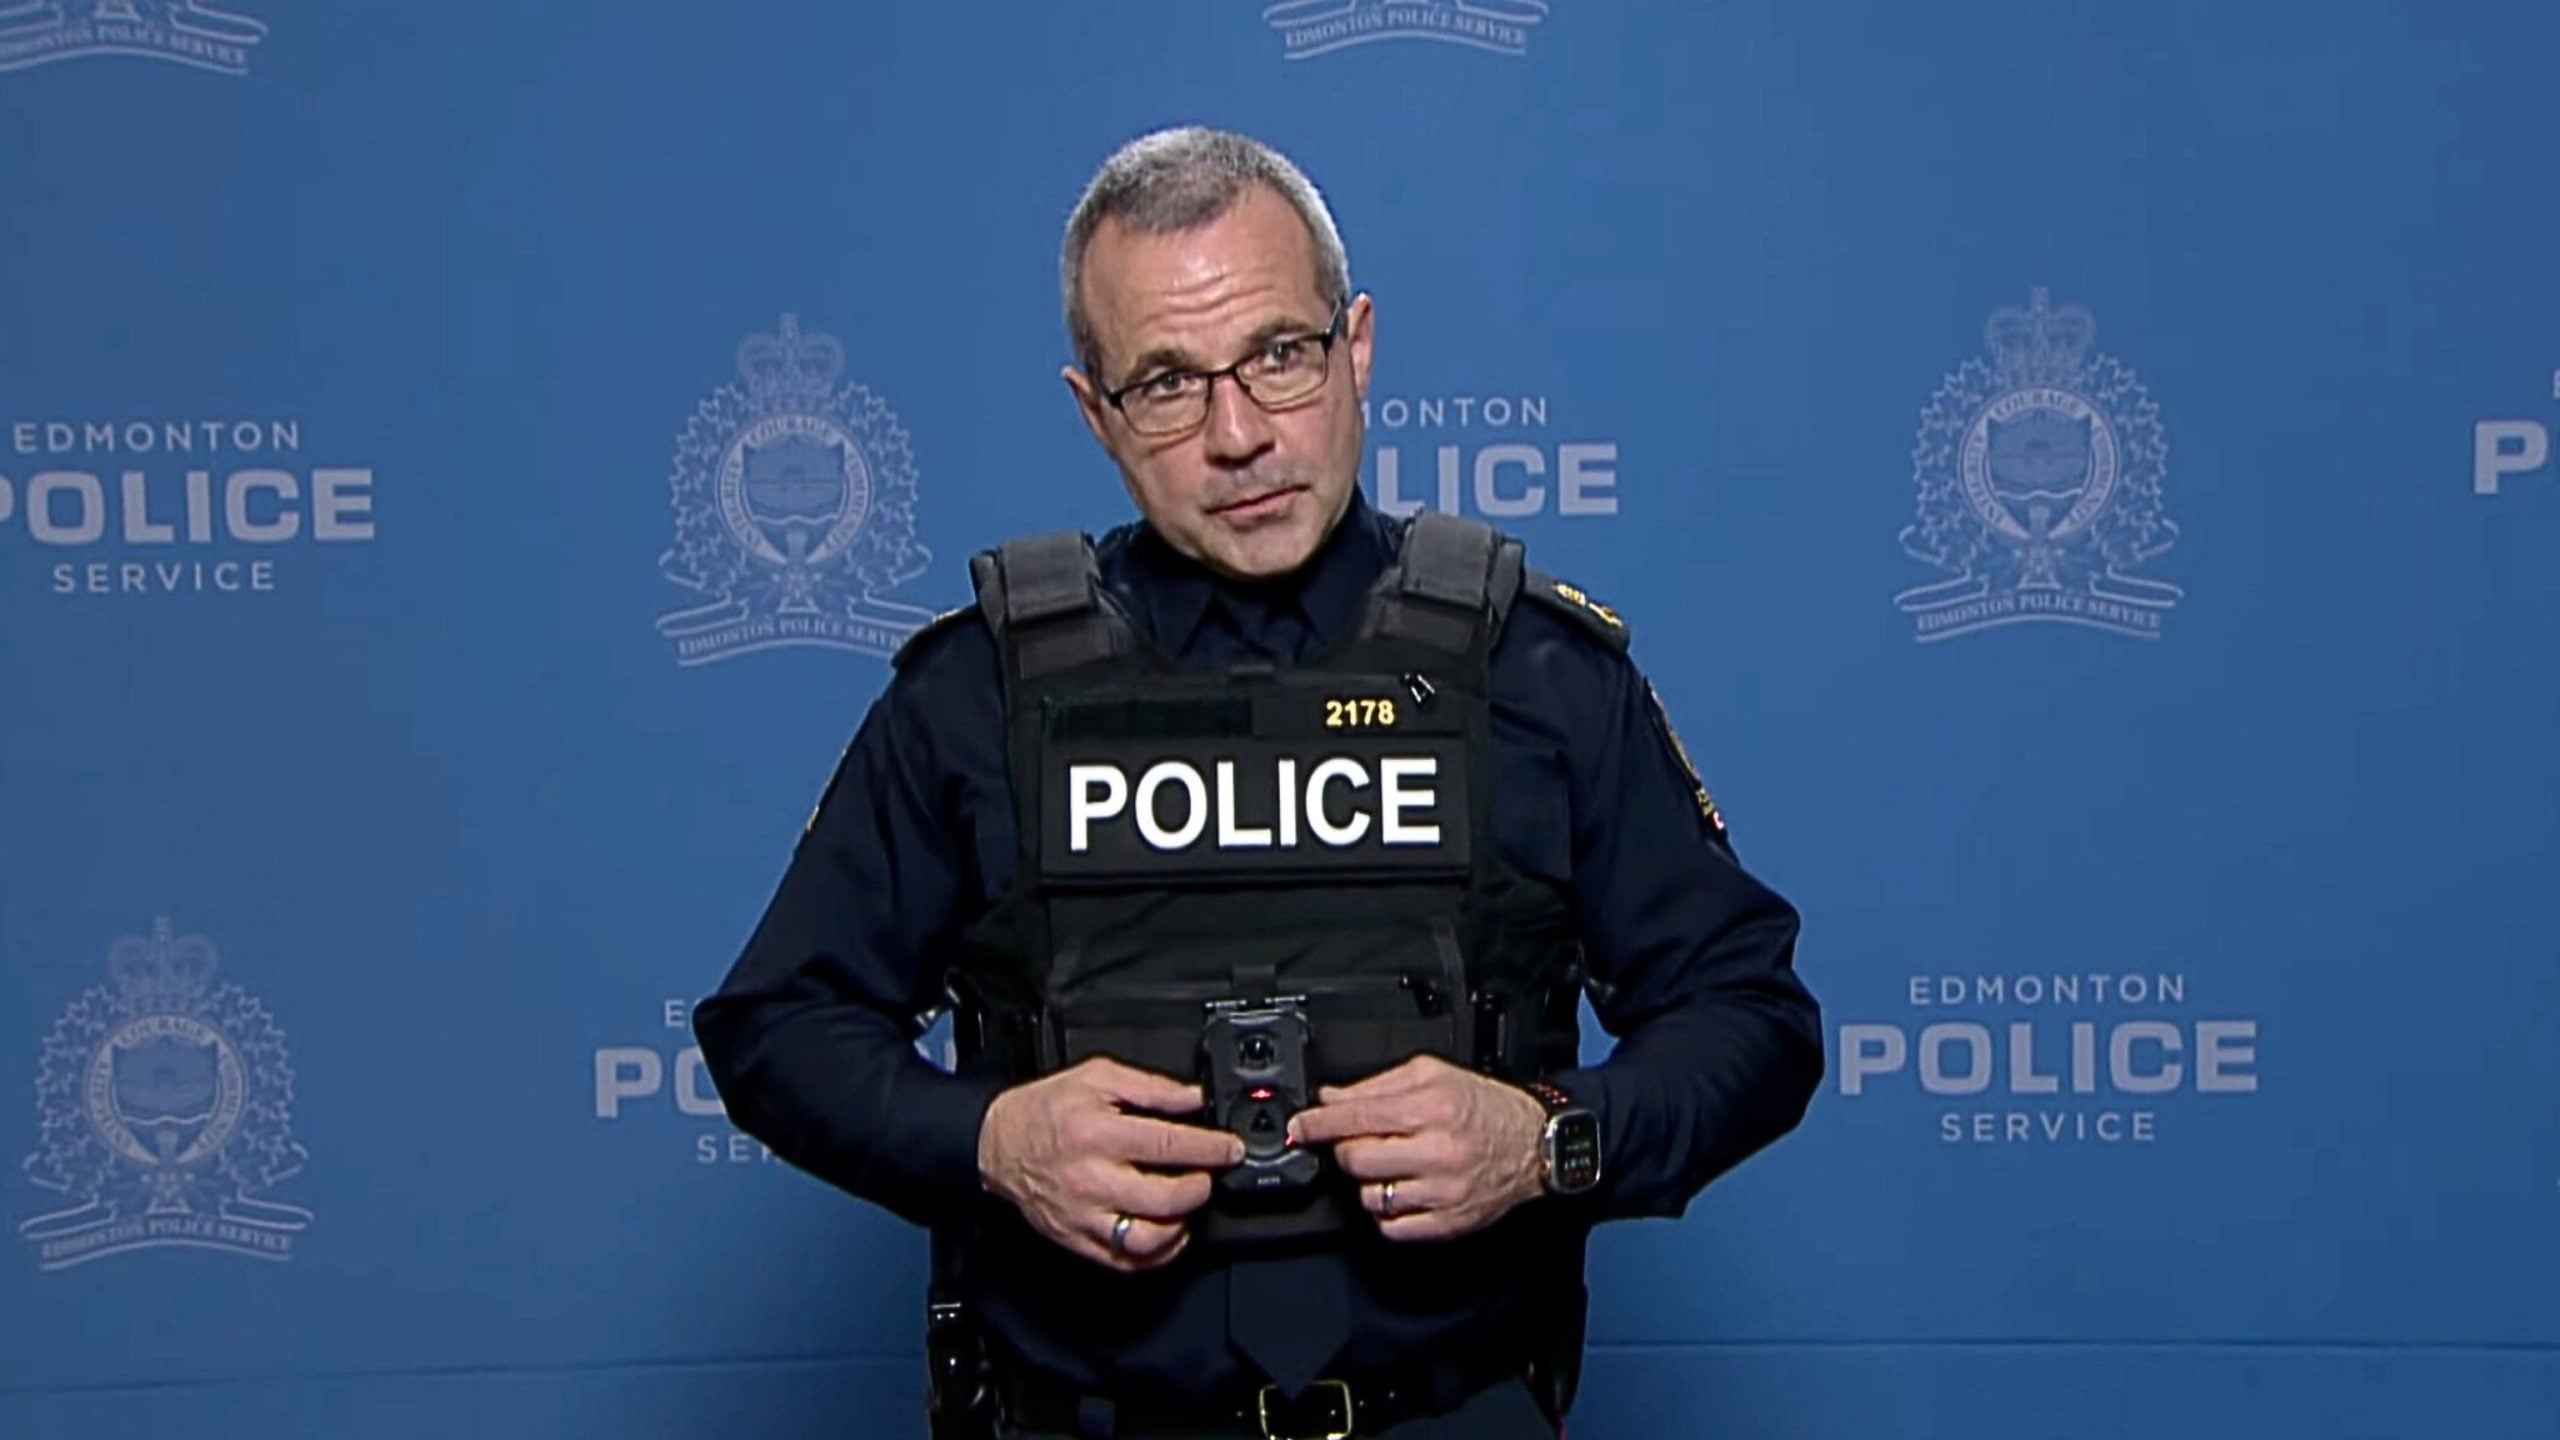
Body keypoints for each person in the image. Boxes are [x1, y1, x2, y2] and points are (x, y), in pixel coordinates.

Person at [693, 126, 1822, 1440]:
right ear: (1094, 415)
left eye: (1280, 356)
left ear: (1357, 349)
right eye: (1168, 382)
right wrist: (993, 1142)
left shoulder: (1536, 672)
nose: (1238, 434)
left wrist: (1548, 1139)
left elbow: (1751, 1019)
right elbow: (777, 1028)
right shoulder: (978, 695)